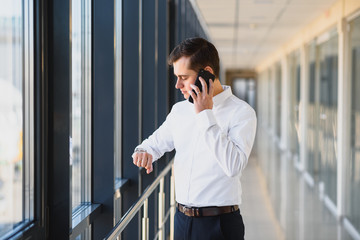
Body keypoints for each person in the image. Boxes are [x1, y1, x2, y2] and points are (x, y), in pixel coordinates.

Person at [132, 37, 257, 240]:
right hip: (182, 221)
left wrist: (205, 115)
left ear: (206, 73)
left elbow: (234, 166)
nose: (177, 85)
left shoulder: (242, 113)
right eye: (176, 77)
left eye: (183, 77)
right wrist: (143, 151)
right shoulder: (180, 110)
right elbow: (154, 143)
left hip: (220, 225)